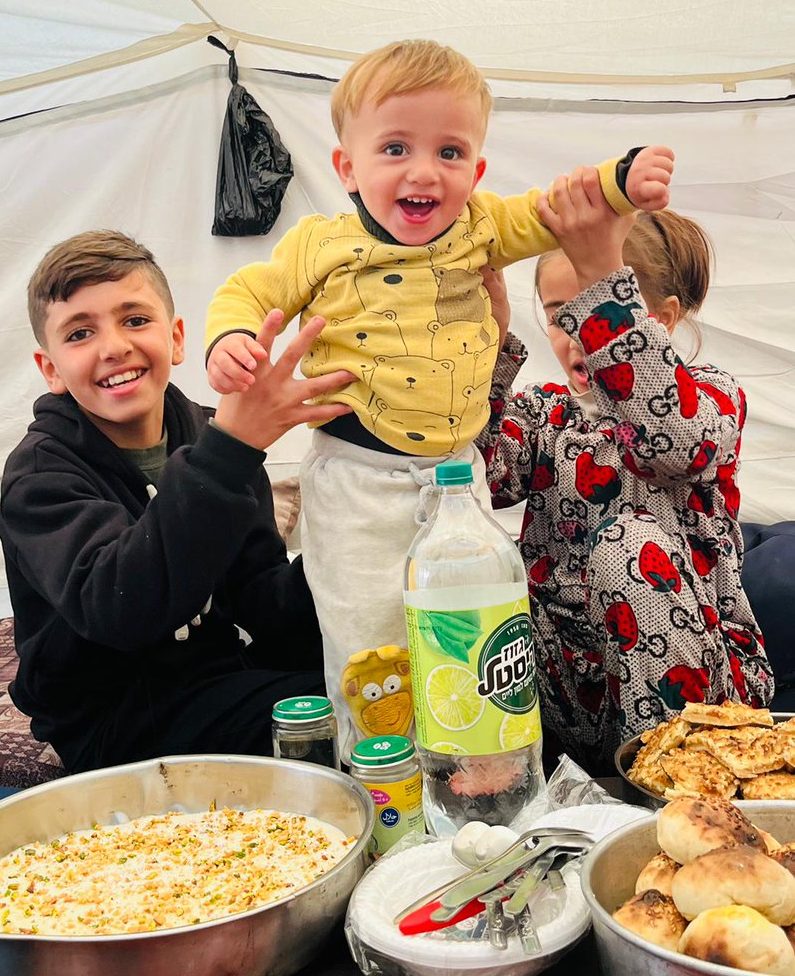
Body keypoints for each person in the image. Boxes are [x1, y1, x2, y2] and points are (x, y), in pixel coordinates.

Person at [204, 37, 674, 752]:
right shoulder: (319, 243)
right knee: (370, 637)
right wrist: (231, 338)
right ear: (347, 168)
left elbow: (550, 210)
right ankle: (378, 771)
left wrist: (619, 179)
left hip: (459, 477)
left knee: (472, 622)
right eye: (395, 149)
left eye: (449, 153)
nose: (424, 171)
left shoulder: (481, 228)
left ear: (476, 170)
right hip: (358, 478)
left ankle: (478, 764)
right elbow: (249, 288)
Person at [0, 230, 355, 774]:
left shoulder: (208, 433)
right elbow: (119, 607)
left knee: (377, 696)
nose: (113, 345)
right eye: (80, 333)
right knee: (337, 728)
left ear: (178, 338)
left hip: (218, 676)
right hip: (115, 720)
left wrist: (353, 541)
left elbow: (263, 601)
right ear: (51, 370)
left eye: (135, 320)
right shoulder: (40, 476)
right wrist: (231, 450)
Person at [477, 172, 775, 771]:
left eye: (595, 314)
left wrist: (602, 287)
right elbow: (482, 476)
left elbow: (674, 443)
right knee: (473, 570)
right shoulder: (548, 413)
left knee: (627, 545)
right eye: (561, 315)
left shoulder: (712, 398)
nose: (576, 336)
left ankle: (673, 782)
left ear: (658, 321)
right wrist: (486, 343)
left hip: (701, 702)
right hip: (571, 689)